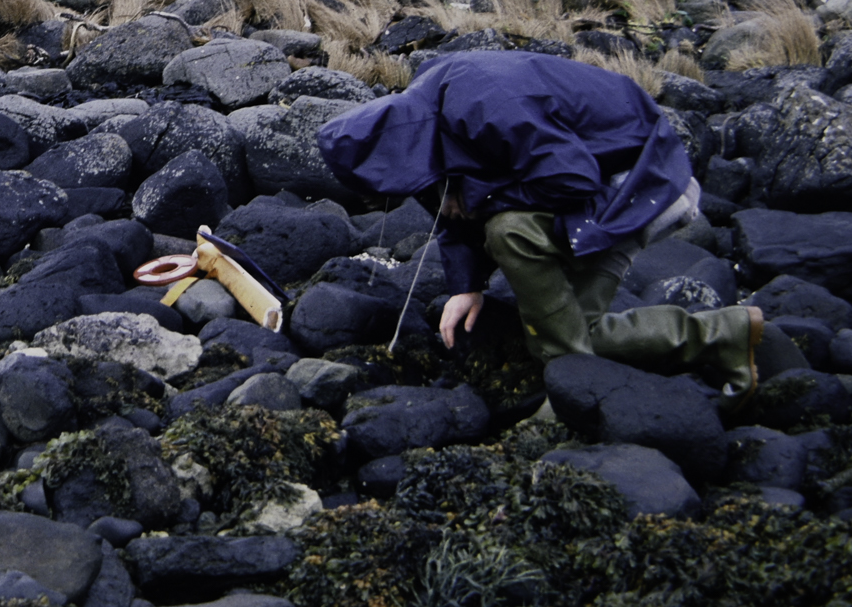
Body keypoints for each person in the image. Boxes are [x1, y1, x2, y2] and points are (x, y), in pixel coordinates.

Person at [317, 50, 761, 404]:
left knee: (513, 237)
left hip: (640, 184)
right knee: (573, 326)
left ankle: (571, 391)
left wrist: (478, 200)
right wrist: (466, 285)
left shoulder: (483, 104)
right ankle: (726, 335)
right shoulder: (419, 120)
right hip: (589, 195)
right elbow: (449, 205)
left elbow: (573, 178)